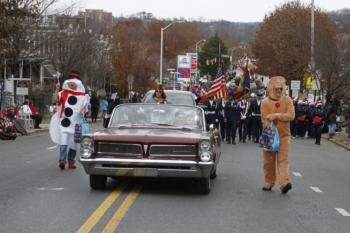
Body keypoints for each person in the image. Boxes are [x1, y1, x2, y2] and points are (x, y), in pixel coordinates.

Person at [261, 76, 295, 194]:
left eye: (281, 89)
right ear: (272, 89)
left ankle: (284, 183)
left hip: (284, 136)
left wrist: (276, 116)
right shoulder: (265, 102)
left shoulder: (288, 100)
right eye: (277, 89)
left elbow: (291, 115)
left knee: (283, 160)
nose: (279, 91)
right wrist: (269, 123)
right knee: (268, 161)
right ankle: (269, 182)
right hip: (270, 136)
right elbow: (264, 119)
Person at [50, 70, 88, 170]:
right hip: (65, 123)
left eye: (75, 81)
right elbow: (54, 101)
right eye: (71, 81)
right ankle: (62, 160)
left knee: (74, 144)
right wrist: (56, 90)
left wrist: (82, 111)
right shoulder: (63, 93)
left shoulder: (83, 97)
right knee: (64, 142)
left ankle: (71, 161)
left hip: (76, 124)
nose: (72, 83)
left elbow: (84, 109)